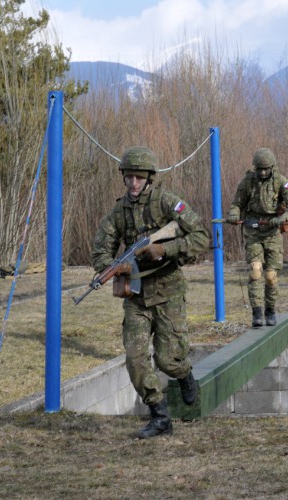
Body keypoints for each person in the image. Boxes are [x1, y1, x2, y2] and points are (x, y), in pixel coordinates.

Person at [91, 146, 210, 439]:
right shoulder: (118, 212)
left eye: (139, 178)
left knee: (167, 360)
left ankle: (183, 374)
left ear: (149, 178)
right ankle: (159, 415)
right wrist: (112, 267)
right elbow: (101, 250)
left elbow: (200, 237)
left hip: (168, 291)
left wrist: (164, 248)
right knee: (135, 357)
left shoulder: (167, 203)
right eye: (129, 177)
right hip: (137, 296)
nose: (133, 183)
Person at [226, 147, 288, 327]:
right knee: (255, 270)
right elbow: (236, 203)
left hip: (273, 232)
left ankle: (270, 310)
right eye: (260, 169)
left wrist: (281, 218)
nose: (263, 172)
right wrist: (234, 214)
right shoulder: (247, 182)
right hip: (253, 230)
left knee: (270, 276)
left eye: (266, 169)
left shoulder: (281, 182)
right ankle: (257, 312)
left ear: (272, 167)